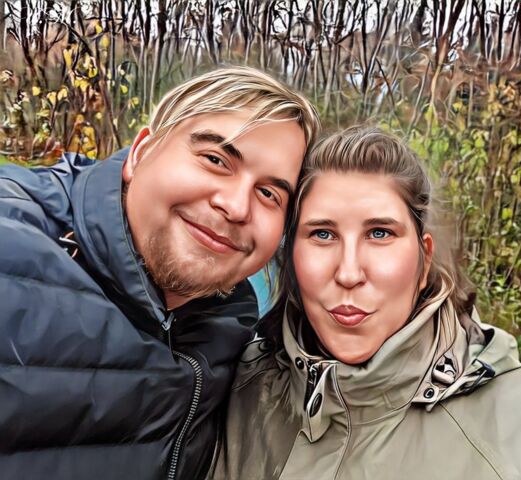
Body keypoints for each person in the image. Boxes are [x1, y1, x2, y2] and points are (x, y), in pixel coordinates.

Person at [211, 126, 521, 480]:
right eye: (323, 235)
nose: (348, 272)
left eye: (380, 234)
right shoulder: (237, 393)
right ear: (291, 257)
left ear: (424, 260)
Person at [0, 66, 320, 479]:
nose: (236, 206)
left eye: (268, 193)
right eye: (215, 160)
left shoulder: (237, 331)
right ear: (140, 152)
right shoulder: (15, 248)